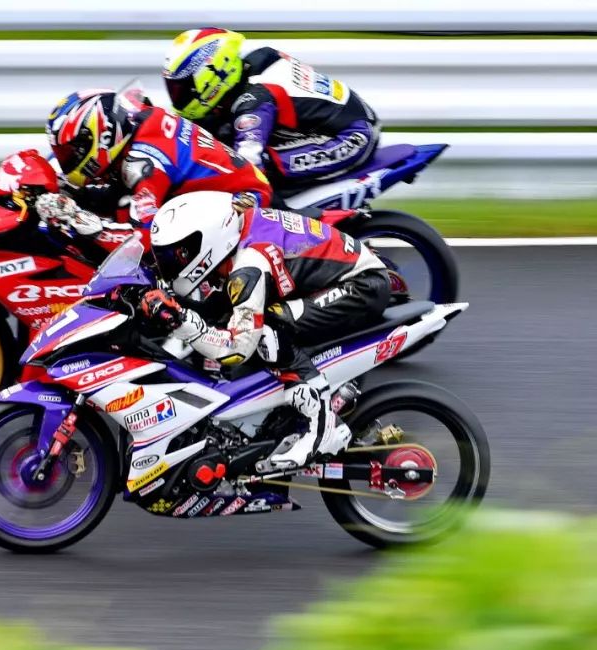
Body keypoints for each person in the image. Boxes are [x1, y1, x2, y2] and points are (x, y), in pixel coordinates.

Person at [143, 192, 390, 470]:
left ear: (208, 240)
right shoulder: (235, 229)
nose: (171, 263)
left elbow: (236, 349)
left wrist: (181, 321)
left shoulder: (248, 266)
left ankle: (322, 426)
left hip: (360, 285)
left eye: (179, 254)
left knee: (268, 330)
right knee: (229, 313)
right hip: (330, 276)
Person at [32, 87, 273, 248]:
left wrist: (83, 224)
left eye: (73, 152)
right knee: (112, 200)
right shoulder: (135, 117)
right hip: (224, 187)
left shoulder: (143, 164)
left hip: (246, 201)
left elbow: (144, 242)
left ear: (103, 136)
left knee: (163, 252)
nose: (69, 161)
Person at [162, 28, 379, 186]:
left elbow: (249, 162)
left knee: (253, 169)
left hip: (352, 138)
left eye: (183, 88)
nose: (177, 95)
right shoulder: (256, 62)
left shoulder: (253, 104)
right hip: (339, 121)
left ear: (210, 76)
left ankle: (290, 225)